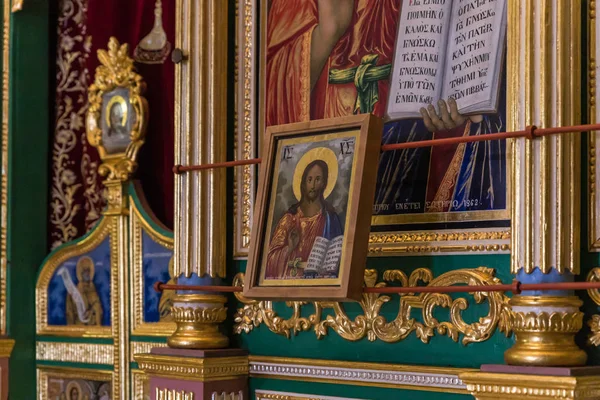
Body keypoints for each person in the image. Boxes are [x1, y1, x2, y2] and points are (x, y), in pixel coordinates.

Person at [265, 0, 504, 214]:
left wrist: (466, 94)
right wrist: (329, 31)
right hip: (337, 125)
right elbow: (274, 86)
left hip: (414, 138)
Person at [265, 159, 342, 279]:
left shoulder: (330, 220)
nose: (313, 185)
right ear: (303, 183)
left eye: (318, 179)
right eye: (309, 179)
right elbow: (269, 261)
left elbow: (338, 260)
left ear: (324, 183)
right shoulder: (290, 219)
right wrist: (289, 248)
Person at [65, 256, 103, 326]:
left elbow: (98, 307)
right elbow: (69, 311)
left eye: (89, 271)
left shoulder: (93, 290)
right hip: (79, 326)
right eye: (85, 271)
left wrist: (91, 311)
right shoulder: (73, 291)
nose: (87, 274)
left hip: (93, 327)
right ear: (80, 273)